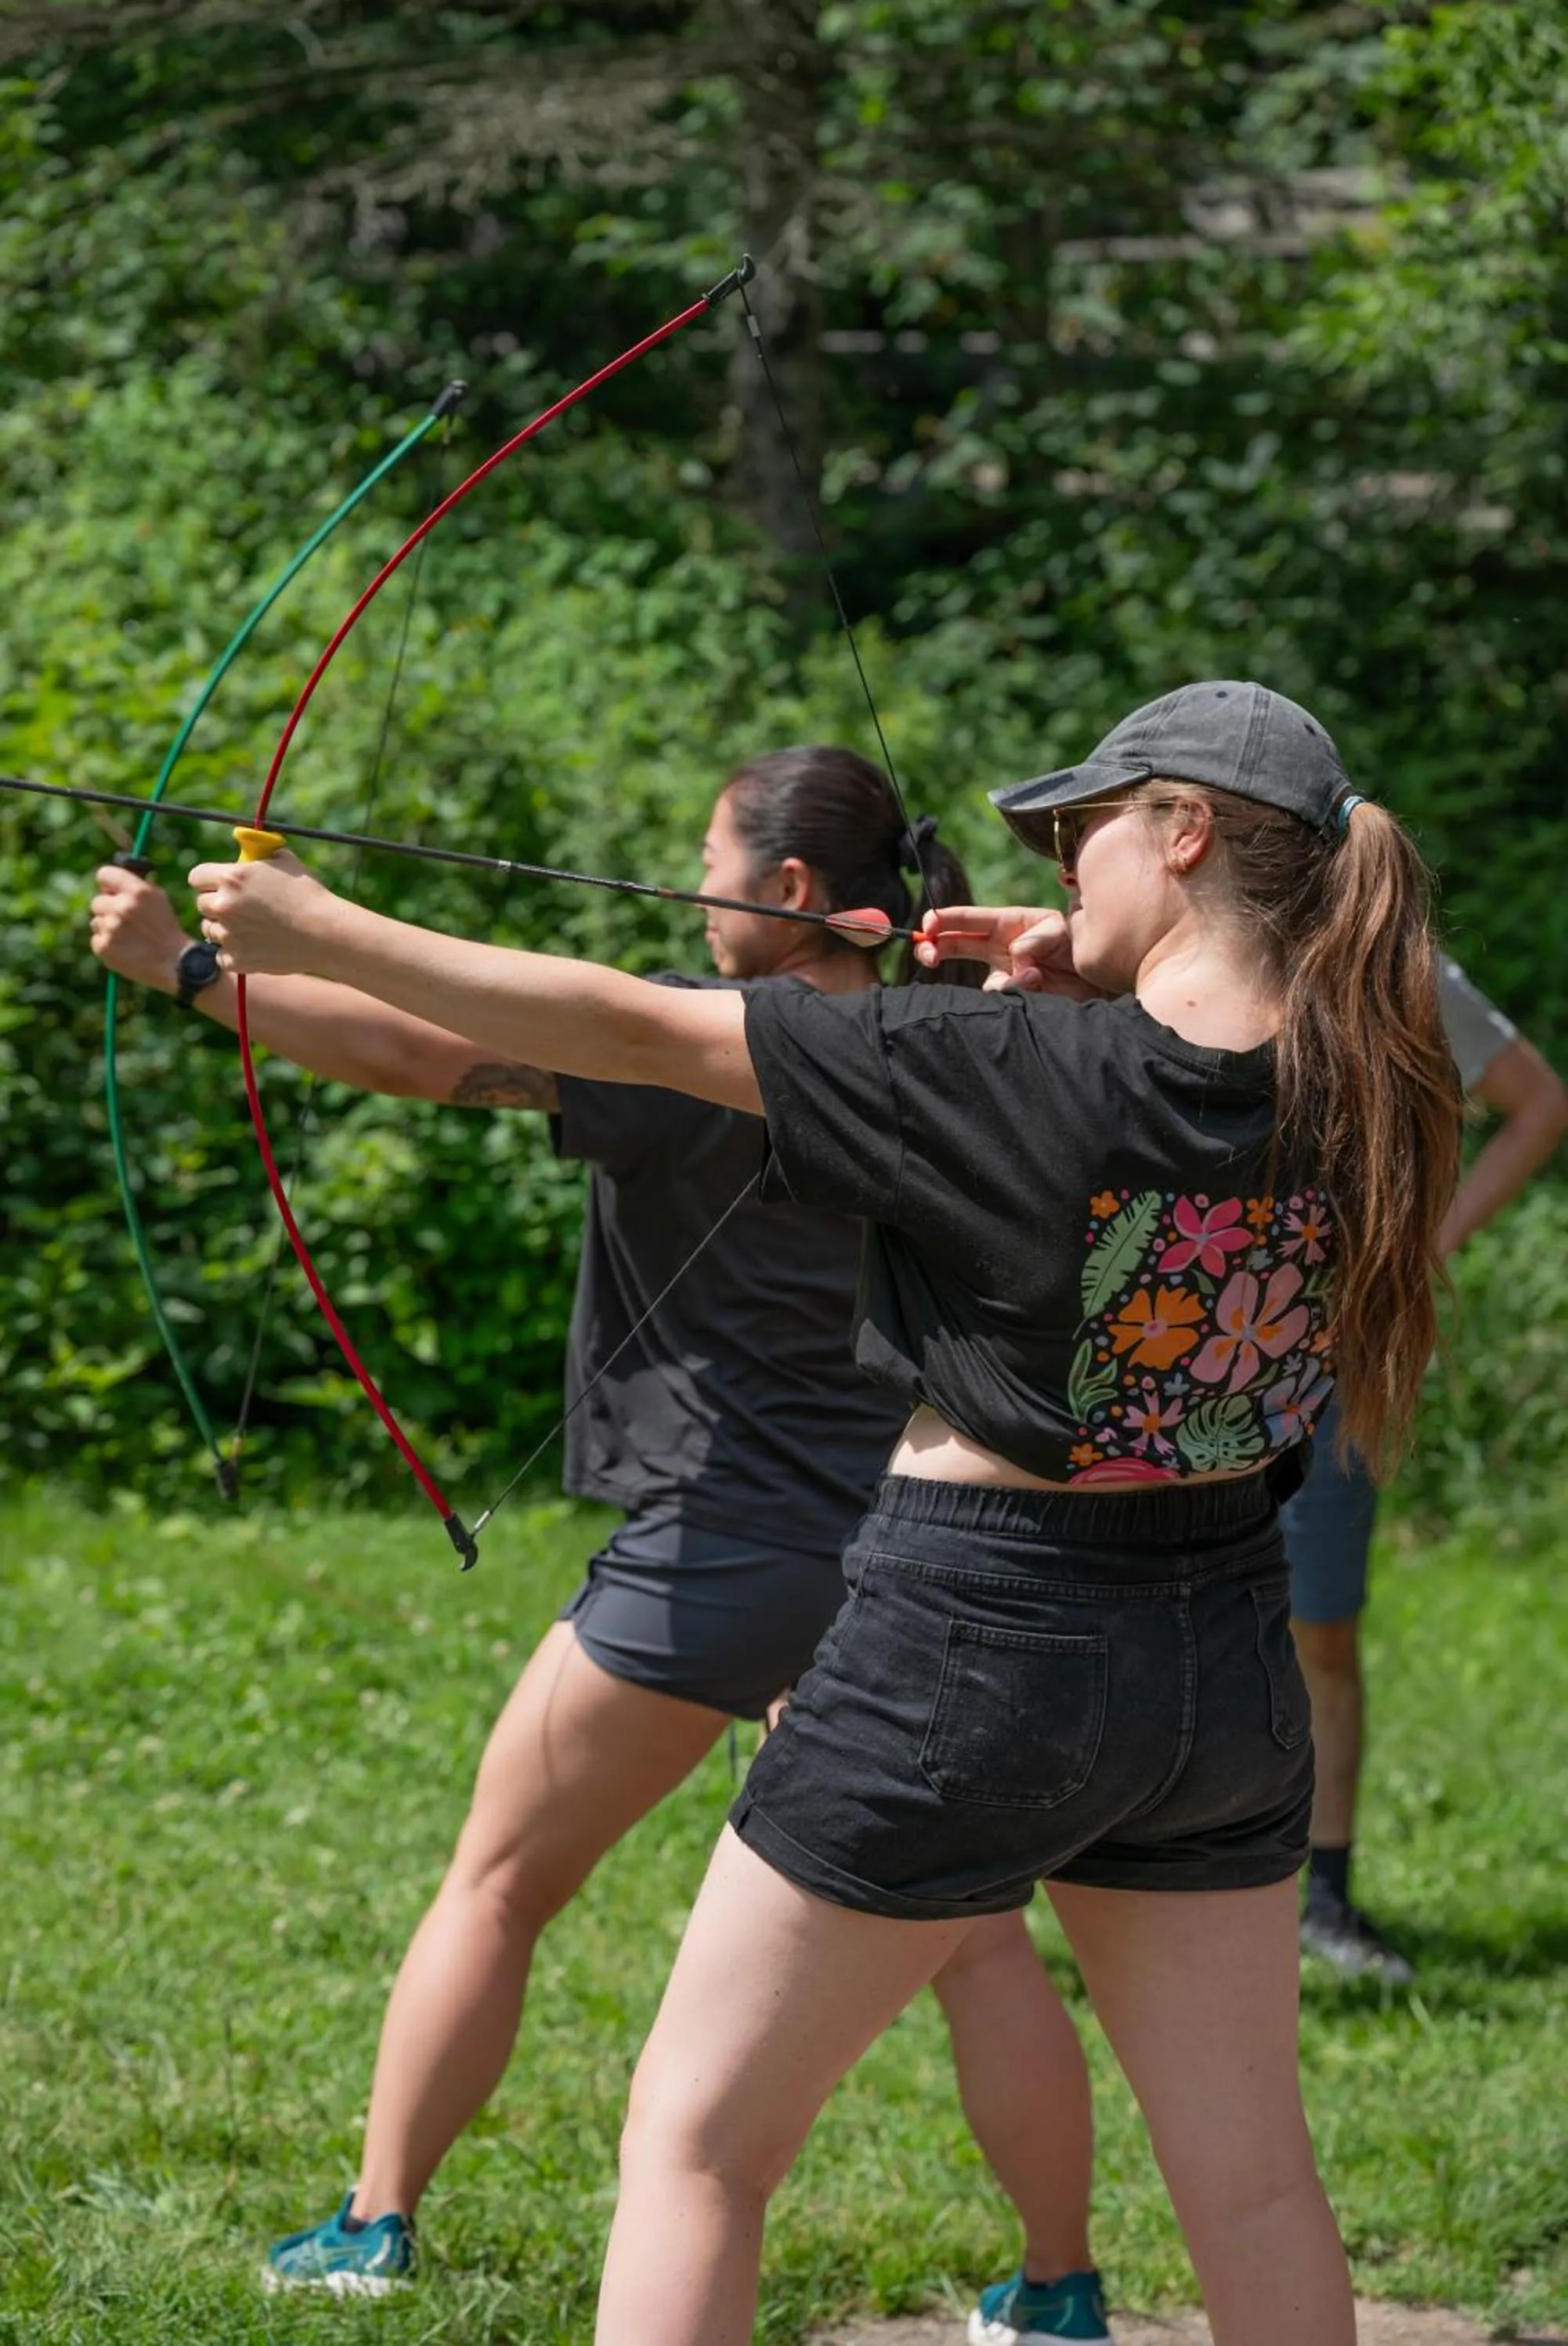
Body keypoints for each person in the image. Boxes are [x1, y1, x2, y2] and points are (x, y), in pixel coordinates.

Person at [187, 678, 1465, 2346]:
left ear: (1183, 830)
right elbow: (1152, 1078)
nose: (1062, 864)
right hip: (1219, 1657)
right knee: (1249, 2185)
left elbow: (627, 1027)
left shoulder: (997, 1062)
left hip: (971, 1641)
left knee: (698, 2146)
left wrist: (318, 927)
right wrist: (1083, 975)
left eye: (1083, 833)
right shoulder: (1372, 1079)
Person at [92, 744, 1108, 2338]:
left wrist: (189, 970)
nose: (692, 896)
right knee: (977, 1946)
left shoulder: (695, 1046)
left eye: (709, 867)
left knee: (495, 1884)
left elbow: (425, 1053)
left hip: (716, 1553)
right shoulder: (961, 1039)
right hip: (911, 1551)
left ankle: (372, 2225)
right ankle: (1056, 2288)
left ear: (786, 891)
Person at [1288, 960, 1568, 1982]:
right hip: (1187, 1340)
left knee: (1317, 1627)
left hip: (1333, 1356)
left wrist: (1412, 1265)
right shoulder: (1168, 932)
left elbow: (1535, 1105)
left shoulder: (1392, 963)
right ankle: (1148, 1881)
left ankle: (1320, 1897)